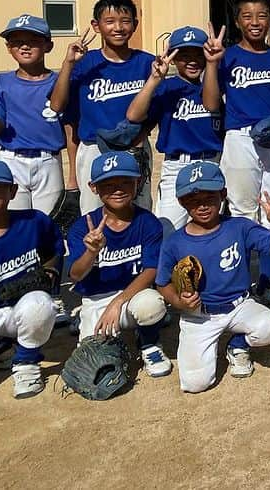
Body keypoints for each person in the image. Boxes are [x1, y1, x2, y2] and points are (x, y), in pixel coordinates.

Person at [202, 0, 270, 309]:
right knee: (244, 211)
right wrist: (212, 63)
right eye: (247, 16)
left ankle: (268, 283)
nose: (255, 22)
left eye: (261, 15)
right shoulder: (227, 56)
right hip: (241, 138)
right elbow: (210, 103)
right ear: (237, 21)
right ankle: (242, 284)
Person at [155, 162, 270, 393]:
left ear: (223, 194)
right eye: (193, 200)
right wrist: (178, 302)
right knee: (196, 385)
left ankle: (237, 343)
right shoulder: (175, 241)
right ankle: (209, 346)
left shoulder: (239, 227)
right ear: (181, 202)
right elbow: (162, 283)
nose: (203, 205)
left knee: (269, 326)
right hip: (199, 315)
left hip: (239, 305)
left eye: (209, 197)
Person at [66, 151, 170, 377]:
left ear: (138, 182)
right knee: (94, 361)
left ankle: (149, 343)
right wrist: (91, 252)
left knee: (151, 304)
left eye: (125, 181)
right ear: (93, 187)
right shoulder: (83, 227)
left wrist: (118, 302)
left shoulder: (148, 222)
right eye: (108, 184)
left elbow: (151, 269)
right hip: (96, 302)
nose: (118, 189)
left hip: (132, 296)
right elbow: (75, 275)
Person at [49, 0, 155, 214]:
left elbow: (155, 112)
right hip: (94, 149)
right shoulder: (84, 63)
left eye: (125, 21)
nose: (118, 27)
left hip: (134, 148)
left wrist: (141, 136)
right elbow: (57, 106)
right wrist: (68, 64)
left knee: (138, 209)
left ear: (135, 25)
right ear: (96, 26)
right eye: (110, 21)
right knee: (94, 212)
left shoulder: (147, 63)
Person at [125, 26, 221, 234]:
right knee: (167, 229)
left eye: (198, 54)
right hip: (177, 165)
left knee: (210, 228)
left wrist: (212, 64)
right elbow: (133, 115)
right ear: (173, 59)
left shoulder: (214, 84)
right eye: (184, 55)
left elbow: (212, 104)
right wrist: (154, 79)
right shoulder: (167, 87)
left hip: (210, 161)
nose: (192, 61)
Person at [0, 160, 60, 398]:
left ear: (12, 192)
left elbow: (53, 250)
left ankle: (26, 363)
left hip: (22, 310)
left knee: (40, 303)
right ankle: (1, 349)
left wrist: (50, 273)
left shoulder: (34, 221)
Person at [0, 15, 65, 214]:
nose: (25, 47)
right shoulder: (0, 82)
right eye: (17, 42)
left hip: (48, 160)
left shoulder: (59, 82)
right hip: (10, 160)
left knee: (49, 224)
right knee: (14, 224)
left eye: (33, 41)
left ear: (48, 46)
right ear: (9, 48)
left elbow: (69, 127)